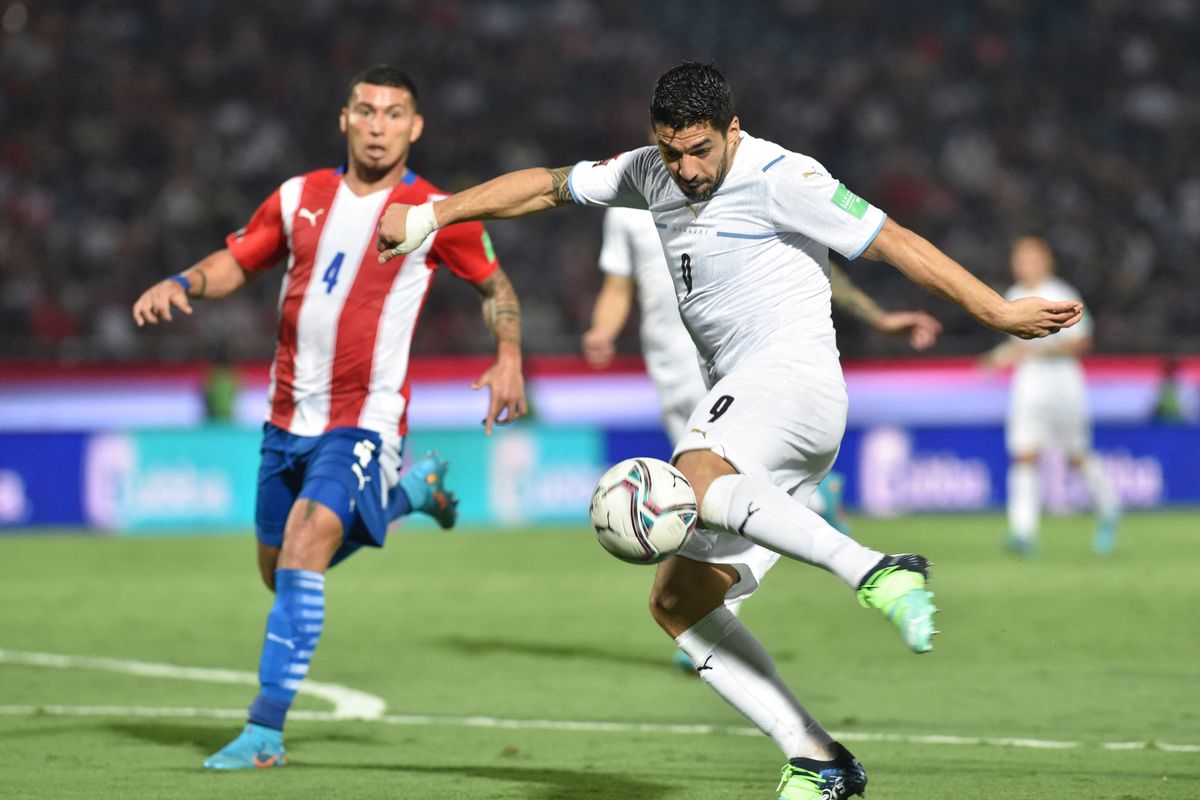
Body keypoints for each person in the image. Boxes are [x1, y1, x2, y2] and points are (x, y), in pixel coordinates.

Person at [376, 62, 1079, 800]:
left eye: (701, 150)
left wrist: (995, 312)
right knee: (678, 604)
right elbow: (545, 185)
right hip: (759, 414)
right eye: (672, 150)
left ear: (732, 130)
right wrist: (432, 215)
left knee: (698, 473)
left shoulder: (785, 175)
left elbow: (892, 240)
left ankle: (875, 568)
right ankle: (816, 758)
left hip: (794, 382)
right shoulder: (650, 173)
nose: (686, 168)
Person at [132, 64, 527, 770]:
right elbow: (237, 262)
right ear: (343, 119)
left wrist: (509, 354)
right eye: (367, 111)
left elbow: (495, 284)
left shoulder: (435, 210)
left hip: (365, 420)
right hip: (287, 418)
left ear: (416, 127)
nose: (379, 125)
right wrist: (184, 280)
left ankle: (263, 732)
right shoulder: (297, 197)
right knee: (277, 571)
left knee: (308, 543)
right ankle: (412, 496)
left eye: (394, 113)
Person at [582, 207, 943, 671]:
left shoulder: (733, 183)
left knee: (708, 496)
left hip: (739, 361)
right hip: (670, 367)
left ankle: (718, 614)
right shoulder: (625, 202)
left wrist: (877, 317)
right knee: (705, 503)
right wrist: (603, 329)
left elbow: (807, 264)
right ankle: (809, 508)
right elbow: (618, 284)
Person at [980, 235, 1119, 555]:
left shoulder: (1061, 293)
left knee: (1077, 456)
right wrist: (997, 358)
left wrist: (1045, 350)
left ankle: (1109, 508)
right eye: (1019, 258)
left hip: (1063, 382)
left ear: (1046, 260)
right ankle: (1023, 531)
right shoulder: (1013, 296)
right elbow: (1017, 346)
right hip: (1029, 384)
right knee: (1024, 454)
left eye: (1029, 257)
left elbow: (1083, 341)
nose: (1022, 264)